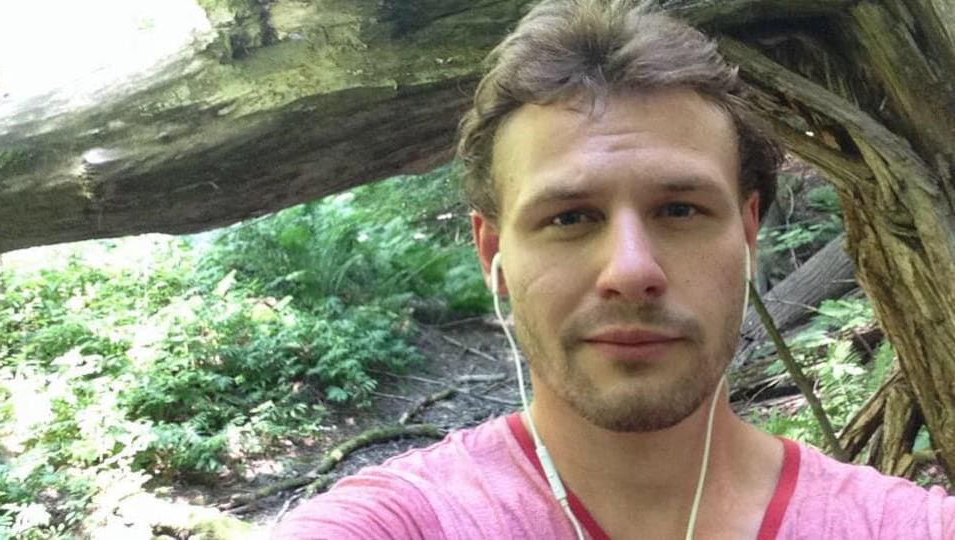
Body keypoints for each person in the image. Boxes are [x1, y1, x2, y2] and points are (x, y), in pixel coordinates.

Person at [274, 1, 955, 538]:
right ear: (494, 255)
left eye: (681, 209)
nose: (631, 271)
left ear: (747, 232)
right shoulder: (403, 523)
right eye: (569, 217)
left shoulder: (906, 527)